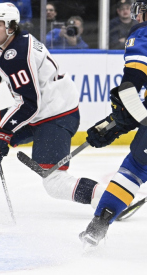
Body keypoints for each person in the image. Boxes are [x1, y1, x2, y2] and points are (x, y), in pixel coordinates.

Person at [0, 3, 104, 211]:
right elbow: (20, 67)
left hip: (55, 116)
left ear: (10, 26)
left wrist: (4, 132)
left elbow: (29, 104)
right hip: (49, 108)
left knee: (54, 182)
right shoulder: (20, 39)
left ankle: (106, 197)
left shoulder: (16, 55)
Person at [79, 0, 147, 247]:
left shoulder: (142, 32)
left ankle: (98, 227)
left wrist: (118, 123)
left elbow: (131, 85)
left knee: (136, 169)